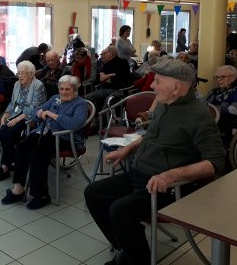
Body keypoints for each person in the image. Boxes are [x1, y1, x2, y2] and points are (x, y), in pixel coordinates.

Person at [84, 59, 226, 265]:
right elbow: (150, 134)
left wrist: (171, 175)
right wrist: (128, 149)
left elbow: (215, 162)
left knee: (120, 211)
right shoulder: (164, 104)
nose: (151, 85)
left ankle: (136, 258)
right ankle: (128, 246)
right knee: (94, 193)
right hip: (140, 174)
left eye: (158, 81)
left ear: (177, 87)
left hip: (166, 187)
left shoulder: (199, 116)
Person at [1, 75, 88, 210]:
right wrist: (40, 113)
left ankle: (41, 195)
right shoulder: (54, 99)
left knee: (37, 154)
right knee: (22, 147)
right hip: (44, 132)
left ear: (75, 90)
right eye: (61, 89)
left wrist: (52, 115)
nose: (63, 92)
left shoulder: (80, 104)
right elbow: (37, 111)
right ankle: (18, 188)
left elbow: (75, 123)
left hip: (64, 138)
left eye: (67, 89)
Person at [0, 61, 46, 182]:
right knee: (3, 130)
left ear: (31, 74)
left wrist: (16, 120)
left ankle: (6, 165)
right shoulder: (17, 85)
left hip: (31, 117)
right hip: (17, 112)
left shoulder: (38, 86)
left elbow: (35, 107)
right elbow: (12, 102)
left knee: (10, 132)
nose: (19, 76)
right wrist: (6, 114)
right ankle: (9, 162)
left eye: (23, 73)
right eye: (18, 73)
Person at [85, 45, 132, 113]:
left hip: (119, 90)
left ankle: (99, 122)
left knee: (102, 101)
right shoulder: (106, 64)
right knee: (88, 98)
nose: (101, 56)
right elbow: (99, 79)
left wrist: (107, 77)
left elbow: (120, 79)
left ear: (110, 54)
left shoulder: (123, 62)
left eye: (104, 54)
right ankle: (93, 120)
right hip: (106, 89)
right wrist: (111, 75)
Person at [206, 65, 237, 144]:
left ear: (233, 77)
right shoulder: (217, 90)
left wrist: (217, 109)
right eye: (217, 77)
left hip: (228, 122)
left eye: (223, 77)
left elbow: (236, 109)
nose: (219, 80)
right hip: (211, 118)